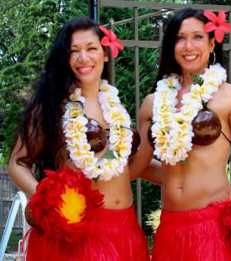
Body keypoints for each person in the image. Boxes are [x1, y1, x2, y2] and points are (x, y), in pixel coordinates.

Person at [133, 8, 231, 261]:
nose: (188, 46)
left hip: (215, 226)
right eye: (180, 38)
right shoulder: (153, 102)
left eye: (197, 37)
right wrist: (101, 162)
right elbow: (139, 165)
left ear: (212, 42)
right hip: (171, 229)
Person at [8, 16, 148, 261]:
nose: (84, 58)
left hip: (125, 231)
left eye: (91, 48)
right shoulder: (54, 105)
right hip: (79, 233)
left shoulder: (115, 108)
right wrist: (48, 198)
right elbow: (17, 163)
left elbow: (121, 168)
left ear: (105, 53)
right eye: (74, 51)